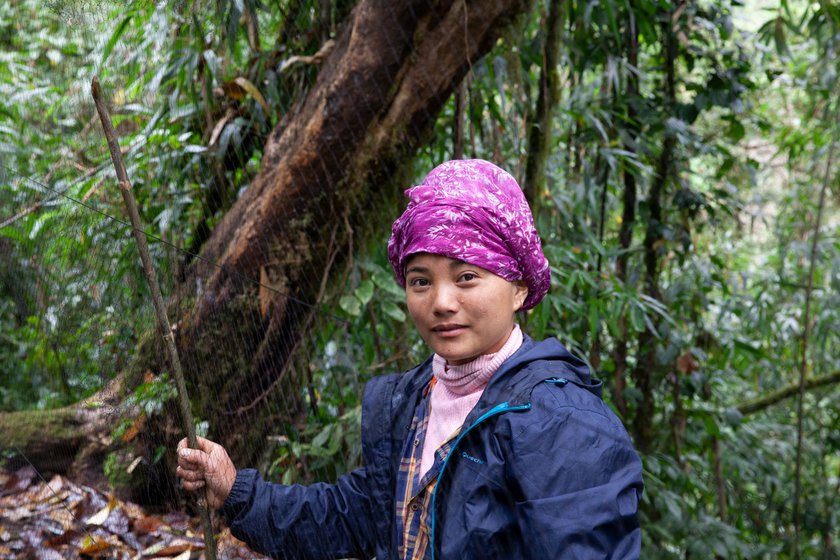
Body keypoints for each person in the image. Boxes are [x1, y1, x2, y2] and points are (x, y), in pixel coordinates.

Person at [177, 159, 644, 559]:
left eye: (466, 277)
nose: (441, 302)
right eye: (420, 281)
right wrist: (237, 490)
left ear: (519, 286)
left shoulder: (562, 421)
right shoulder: (415, 399)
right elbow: (358, 514)